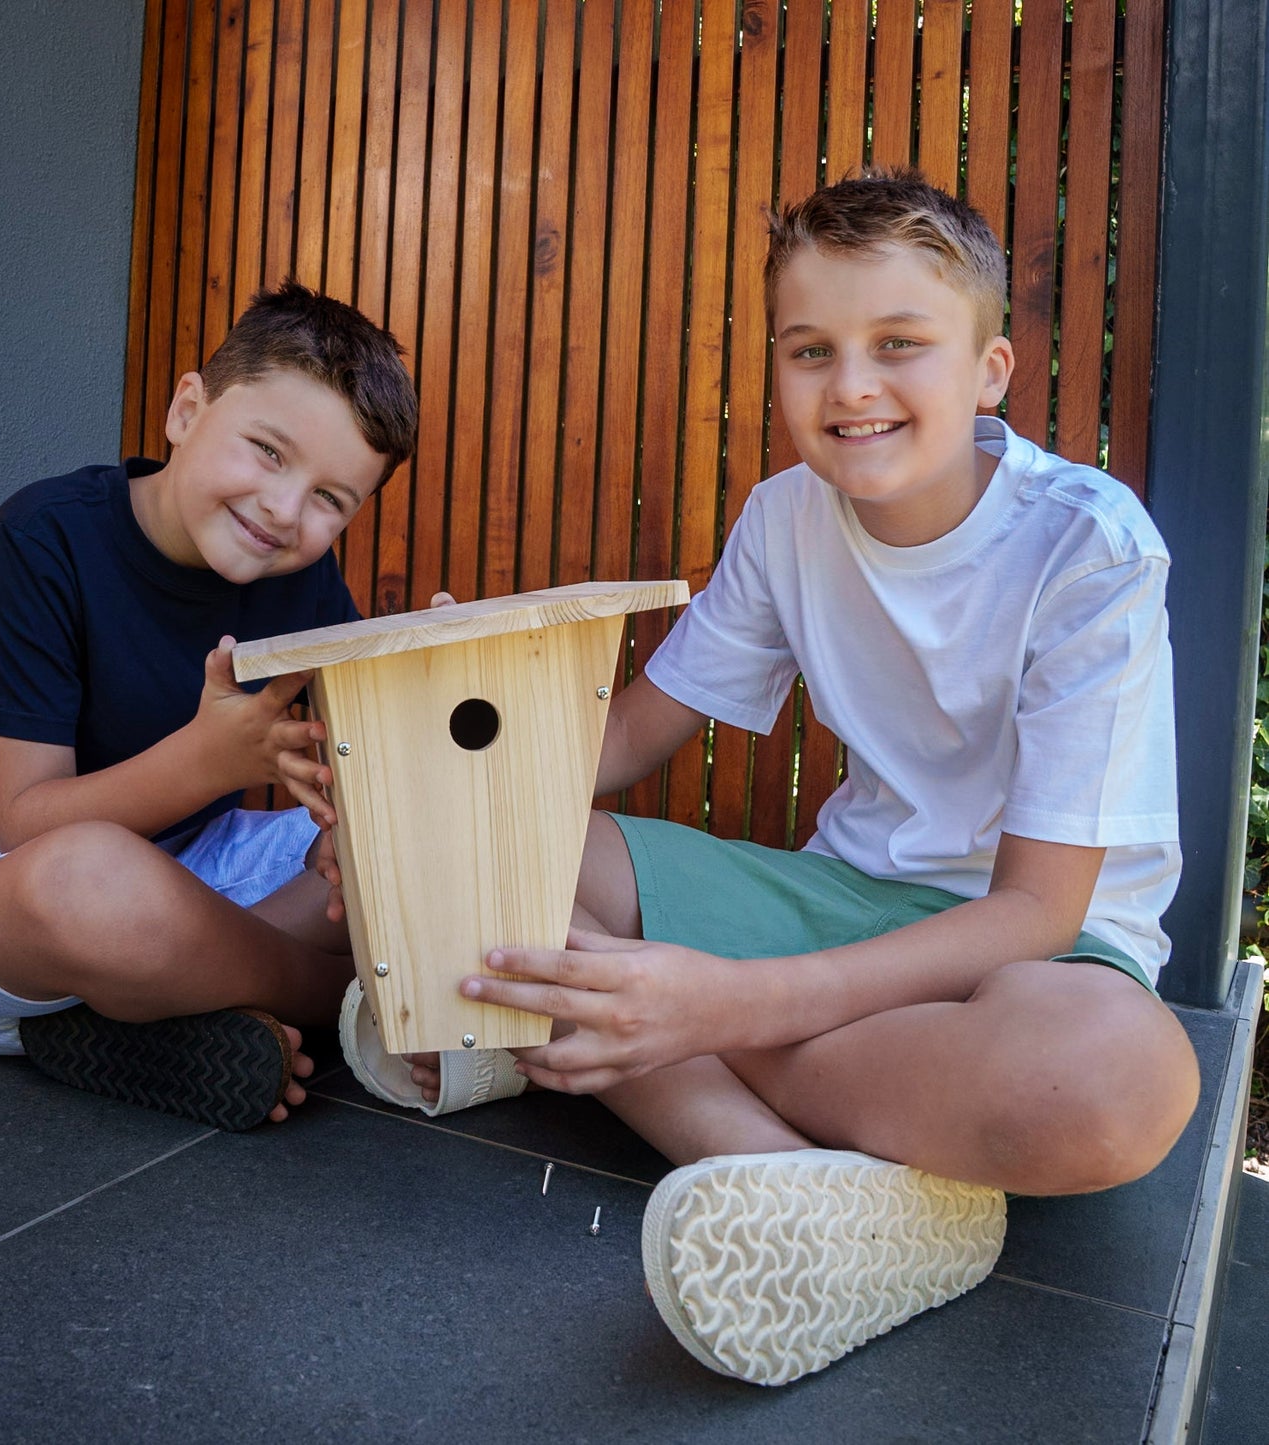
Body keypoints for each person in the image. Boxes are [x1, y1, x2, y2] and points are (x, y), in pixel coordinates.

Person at [446, 171, 1200, 1384]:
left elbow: (1036, 910)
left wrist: (721, 1005)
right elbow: (632, 733)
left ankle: (626, 1047)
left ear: (988, 370)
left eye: (898, 344)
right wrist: (438, 750)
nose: (850, 385)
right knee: (486, 841)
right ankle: (785, 1171)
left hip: (1036, 959)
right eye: (811, 350)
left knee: (1112, 1088)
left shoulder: (1087, 544)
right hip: (838, 903)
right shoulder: (784, 515)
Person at [0, 280, 418, 1131]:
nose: (284, 510)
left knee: (409, 838)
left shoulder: (302, 581)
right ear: (186, 409)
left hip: (197, 873)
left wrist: (355, 825)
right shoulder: (44, 540)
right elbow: (26, 825)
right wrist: (205, 761)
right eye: (269, 451)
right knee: (88, 881)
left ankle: (156, 1007)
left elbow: (368, 755)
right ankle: (354, 1001)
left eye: (329, 500)